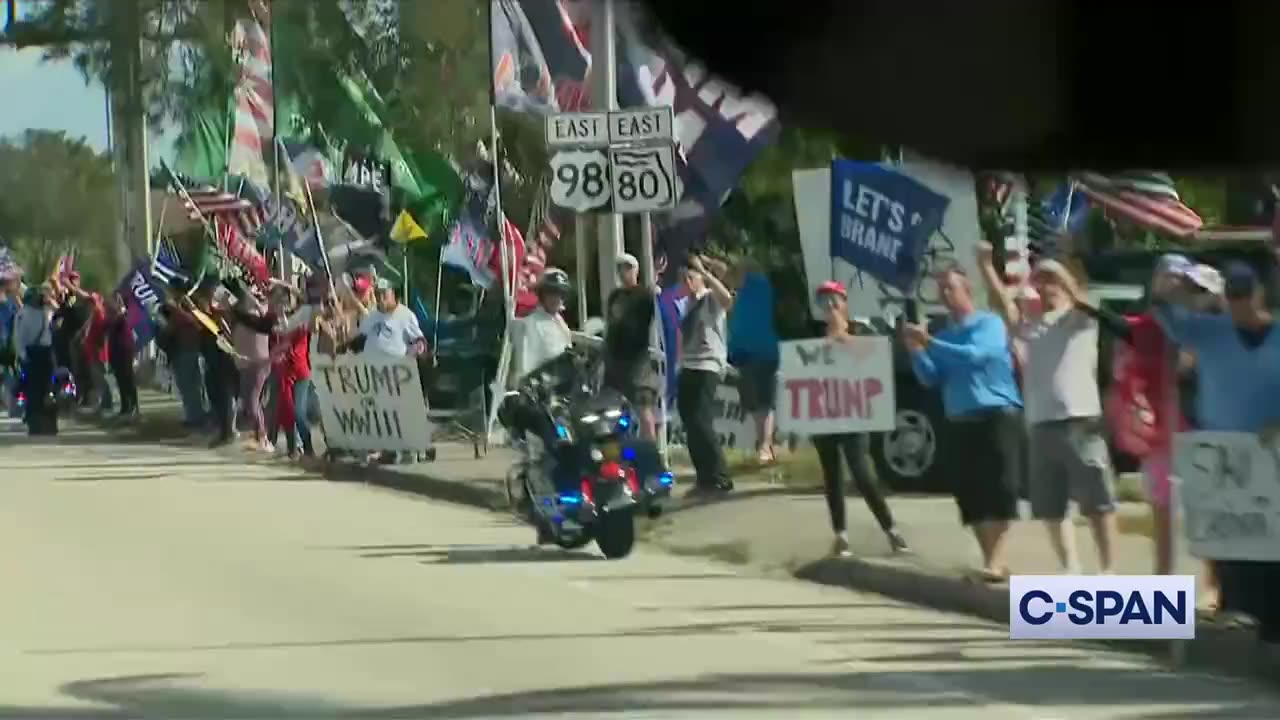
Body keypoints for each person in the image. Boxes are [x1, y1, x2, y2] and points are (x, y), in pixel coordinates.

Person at [1154, 260, 1280, 644]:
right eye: (1233, 294)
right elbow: (1166, 316)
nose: (1240, 301)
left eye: (1245, 293)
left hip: (1270, 453)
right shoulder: (1207, 332)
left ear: (1259, 293)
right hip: (1220, 452)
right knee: (1229, 540)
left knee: (1271, 540)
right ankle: (1236, 613)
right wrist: (1167, 289)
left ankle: (1272, 623)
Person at [977, 244, 1118, 575]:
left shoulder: (1082, 317)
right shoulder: (1031, 325)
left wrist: (1056, 268)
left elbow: (1081, 297)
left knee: (1098, 502)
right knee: (1051, 506)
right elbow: (1003, 306)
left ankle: (1108, 569)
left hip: (1080, 421)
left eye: (1052, 282)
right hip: (1041, 423)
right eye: (1042, 283)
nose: (1047, 287)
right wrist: (985, 266)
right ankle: (1070, 566)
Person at [905, 263, 1022, 583]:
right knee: (972, 495)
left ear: (967, 290)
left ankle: (995, 561)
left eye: (950, 287)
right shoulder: (943, 336)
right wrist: (916, 351)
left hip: (997, 414)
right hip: (960, 419)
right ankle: (991, 561)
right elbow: (930, 377)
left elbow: (975, 355)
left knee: (1001, 489)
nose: (944, 294)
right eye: (941, 289)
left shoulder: (990, 323)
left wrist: (929, 343)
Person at [812, 281, 910, 556]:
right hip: (824, 416)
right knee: (832, 476)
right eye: (825, 303)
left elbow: (874, 359)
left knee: (863, 474)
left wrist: (844, 338)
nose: (830, 307)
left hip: (854, 416)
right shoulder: (815, 338)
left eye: (835, 301)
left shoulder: (862, 332)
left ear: (845, 304)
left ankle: (891, 530)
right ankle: (841, 535)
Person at [344, 277, 428, 463]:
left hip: (396, 374)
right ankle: (388, 450)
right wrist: (345, 347)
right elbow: (362, 340)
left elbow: (420, 341)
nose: (381, 299)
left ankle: (408, 450)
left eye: (385, 295)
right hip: (373, 375)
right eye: (379, 295)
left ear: (394, 296)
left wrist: (414, 353)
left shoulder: (405, 315)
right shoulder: (372, 316)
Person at [677, 254, 735, 494]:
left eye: (691, 277)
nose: (687, 282)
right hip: (688, 365)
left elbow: (728, 299)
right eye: (684, 278)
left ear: (701, 279)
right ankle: (704, 477)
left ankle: (720, 475)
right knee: (689, 421)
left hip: (708, 365)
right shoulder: (687, 303)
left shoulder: (710, 299)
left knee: (701, 419)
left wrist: (707, 273)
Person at [727, 259, 781, 463]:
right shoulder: (745, 293)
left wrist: (705, 264)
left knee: (764, 402)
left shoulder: (757, 284)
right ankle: (766, 443)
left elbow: (728, 270)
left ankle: (766, 444)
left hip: (765, 352)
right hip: (746, 354)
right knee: (755, 403)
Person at [603, 253, 661, 439]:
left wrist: (657, 283)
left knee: (644, 409)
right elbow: (610, 324)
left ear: (636, 270)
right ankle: (617, 455)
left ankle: (650, 454)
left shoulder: (645, 294)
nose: (624, 272)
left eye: (628, 267)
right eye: (621, 268)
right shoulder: (615, 296)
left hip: (638, 360)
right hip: (614, 359)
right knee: (612, 411)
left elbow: (659, 308)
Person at [230, 288, 277, 453]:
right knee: (249, 403)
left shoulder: (262, 315)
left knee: (252, 401)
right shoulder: (240, 313)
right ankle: (257, 436)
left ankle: (264, 439)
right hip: (244, 363)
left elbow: (264, 315)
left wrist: (256, 299)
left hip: (260, 363)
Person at [512, 268, 574, 384]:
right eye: (551, 292)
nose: (556, 298)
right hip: (540, 390)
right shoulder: (528, 323)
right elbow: (522, 373)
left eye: (560, 293)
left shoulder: (560, 323)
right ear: (541, 294)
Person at [15, 283, 58, 435]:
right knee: (35, 390)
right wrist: (23, 356)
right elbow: (20, 338)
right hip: (35, 354)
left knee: (42, 389)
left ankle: (43, 421)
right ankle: (36, 421)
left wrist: (23, 356)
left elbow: (20, 339)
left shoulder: (43, 313)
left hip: (41, 354)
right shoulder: (24, 314)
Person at [106, 292, 139, 421]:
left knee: (128, 379)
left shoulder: (123, 317)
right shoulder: (111, 318)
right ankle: (125, 406)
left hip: (125, 352)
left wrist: (119, 306)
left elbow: (121, 320)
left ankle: (133, 406)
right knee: (120, 381)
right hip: (115, 353)